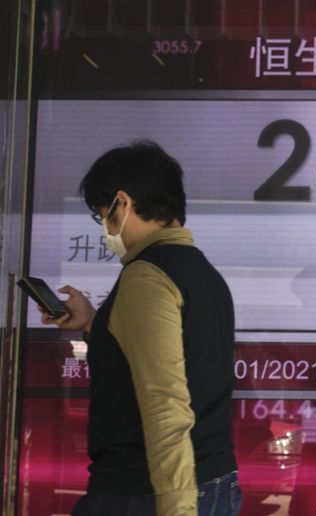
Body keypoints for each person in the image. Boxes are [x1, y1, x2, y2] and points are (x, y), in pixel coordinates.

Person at [42, 141, 240, 516]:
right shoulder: (203, 275)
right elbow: (179, 362)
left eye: (102, 214)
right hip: (212, 480)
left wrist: (178, 507)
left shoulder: (146, 276)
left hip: (146, 491)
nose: (104, 228)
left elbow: (165, 401)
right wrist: (93, 323)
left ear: (123, 203)